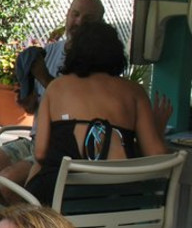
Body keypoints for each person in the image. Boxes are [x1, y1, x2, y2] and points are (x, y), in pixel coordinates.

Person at [0, 0, 106, 205]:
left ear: (99, 25)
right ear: (67, 15)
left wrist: (43, 76)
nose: (79, 22)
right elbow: (35, 108)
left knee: (9, 182)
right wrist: (28, 101)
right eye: (75, 14)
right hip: (36, 140)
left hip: (64, 149)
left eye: (88, 19)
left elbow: (74, 104)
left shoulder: (98, 61)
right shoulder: (49, 52)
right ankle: (28, 220)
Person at [25, 22, 167, 204]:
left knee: (38, 168)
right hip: (122, 204)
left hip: (64, 205)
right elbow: (157, 156)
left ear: (74, 52)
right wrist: (158, 129)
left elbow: (41, 153)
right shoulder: (135, 92)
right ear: (116, 53)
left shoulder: (57, 88)